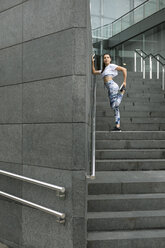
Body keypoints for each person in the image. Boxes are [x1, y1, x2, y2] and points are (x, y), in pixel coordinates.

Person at [92, 54, 127, 131]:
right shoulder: (103, 70)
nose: (106, 59)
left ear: (110, 59)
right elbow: (94, 72)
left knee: (114, 106)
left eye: (108, 57)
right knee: (115, 108)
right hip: (110, 89)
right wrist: (92, 62)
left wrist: (124, 82)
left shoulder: (111, 66)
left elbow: (124, 69)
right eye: (104, 58)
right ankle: (117, 126)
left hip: (112, 86)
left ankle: (121, 93)